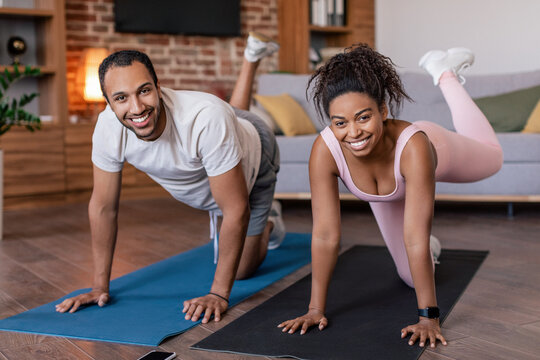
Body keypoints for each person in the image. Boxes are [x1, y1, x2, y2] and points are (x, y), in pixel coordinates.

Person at [278, 45, 503, 348]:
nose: (353, 132)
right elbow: (325, 235)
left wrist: (428, 317)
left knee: (494, 158)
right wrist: (315, 310)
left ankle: (445, 73)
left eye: (363, 117)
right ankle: (432, 248)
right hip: (386, 196)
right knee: (410, 277)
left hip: (433, 151)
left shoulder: (415, 146)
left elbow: (414, 238)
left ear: (383, 111)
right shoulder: (325, 150)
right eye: (340, 122)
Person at [55, 32, 285, 324]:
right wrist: (99, 287)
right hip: (223, 141)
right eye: (121, 98)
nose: (137, 108)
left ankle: (269, 223)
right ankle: (252, 57)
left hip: (255, 154)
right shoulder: (107, 129)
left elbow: (236, 209)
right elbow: (103, 207)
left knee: (241, 271)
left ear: (159, 87)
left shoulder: (205, 118)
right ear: (108, 103)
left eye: (144, 91)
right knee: (231, 118)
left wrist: (218, 294)